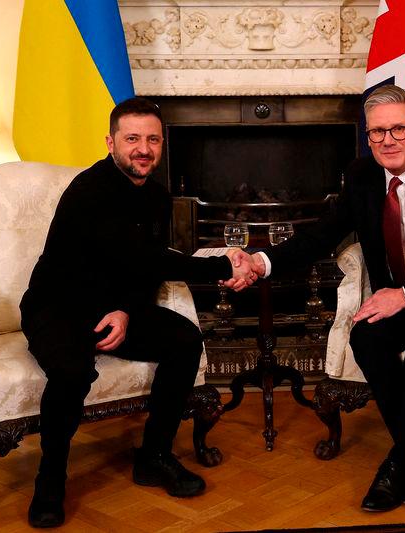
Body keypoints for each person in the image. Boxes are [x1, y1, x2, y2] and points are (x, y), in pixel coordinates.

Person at [232, 85, 405, 512]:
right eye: (377, 132)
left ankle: (400, 459)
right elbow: (319, 235)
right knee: (365, 336)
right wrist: (261, 262)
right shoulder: (361, 176)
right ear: (368, 137)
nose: (388, 140)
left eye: (398, 129)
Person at [20, 97, 256, 528]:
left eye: (152, 139)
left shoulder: (157, 197)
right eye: (132, 139)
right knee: (72, 373)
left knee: (184, 340)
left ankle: (154, 457)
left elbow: (142, 269)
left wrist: (126, 310)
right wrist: (225, 265)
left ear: (162, 144)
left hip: (114, 307)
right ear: (110, 142)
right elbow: (147, 261)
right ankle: (50, 479)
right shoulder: (90, 191)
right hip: (59, 306)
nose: (142, 148)